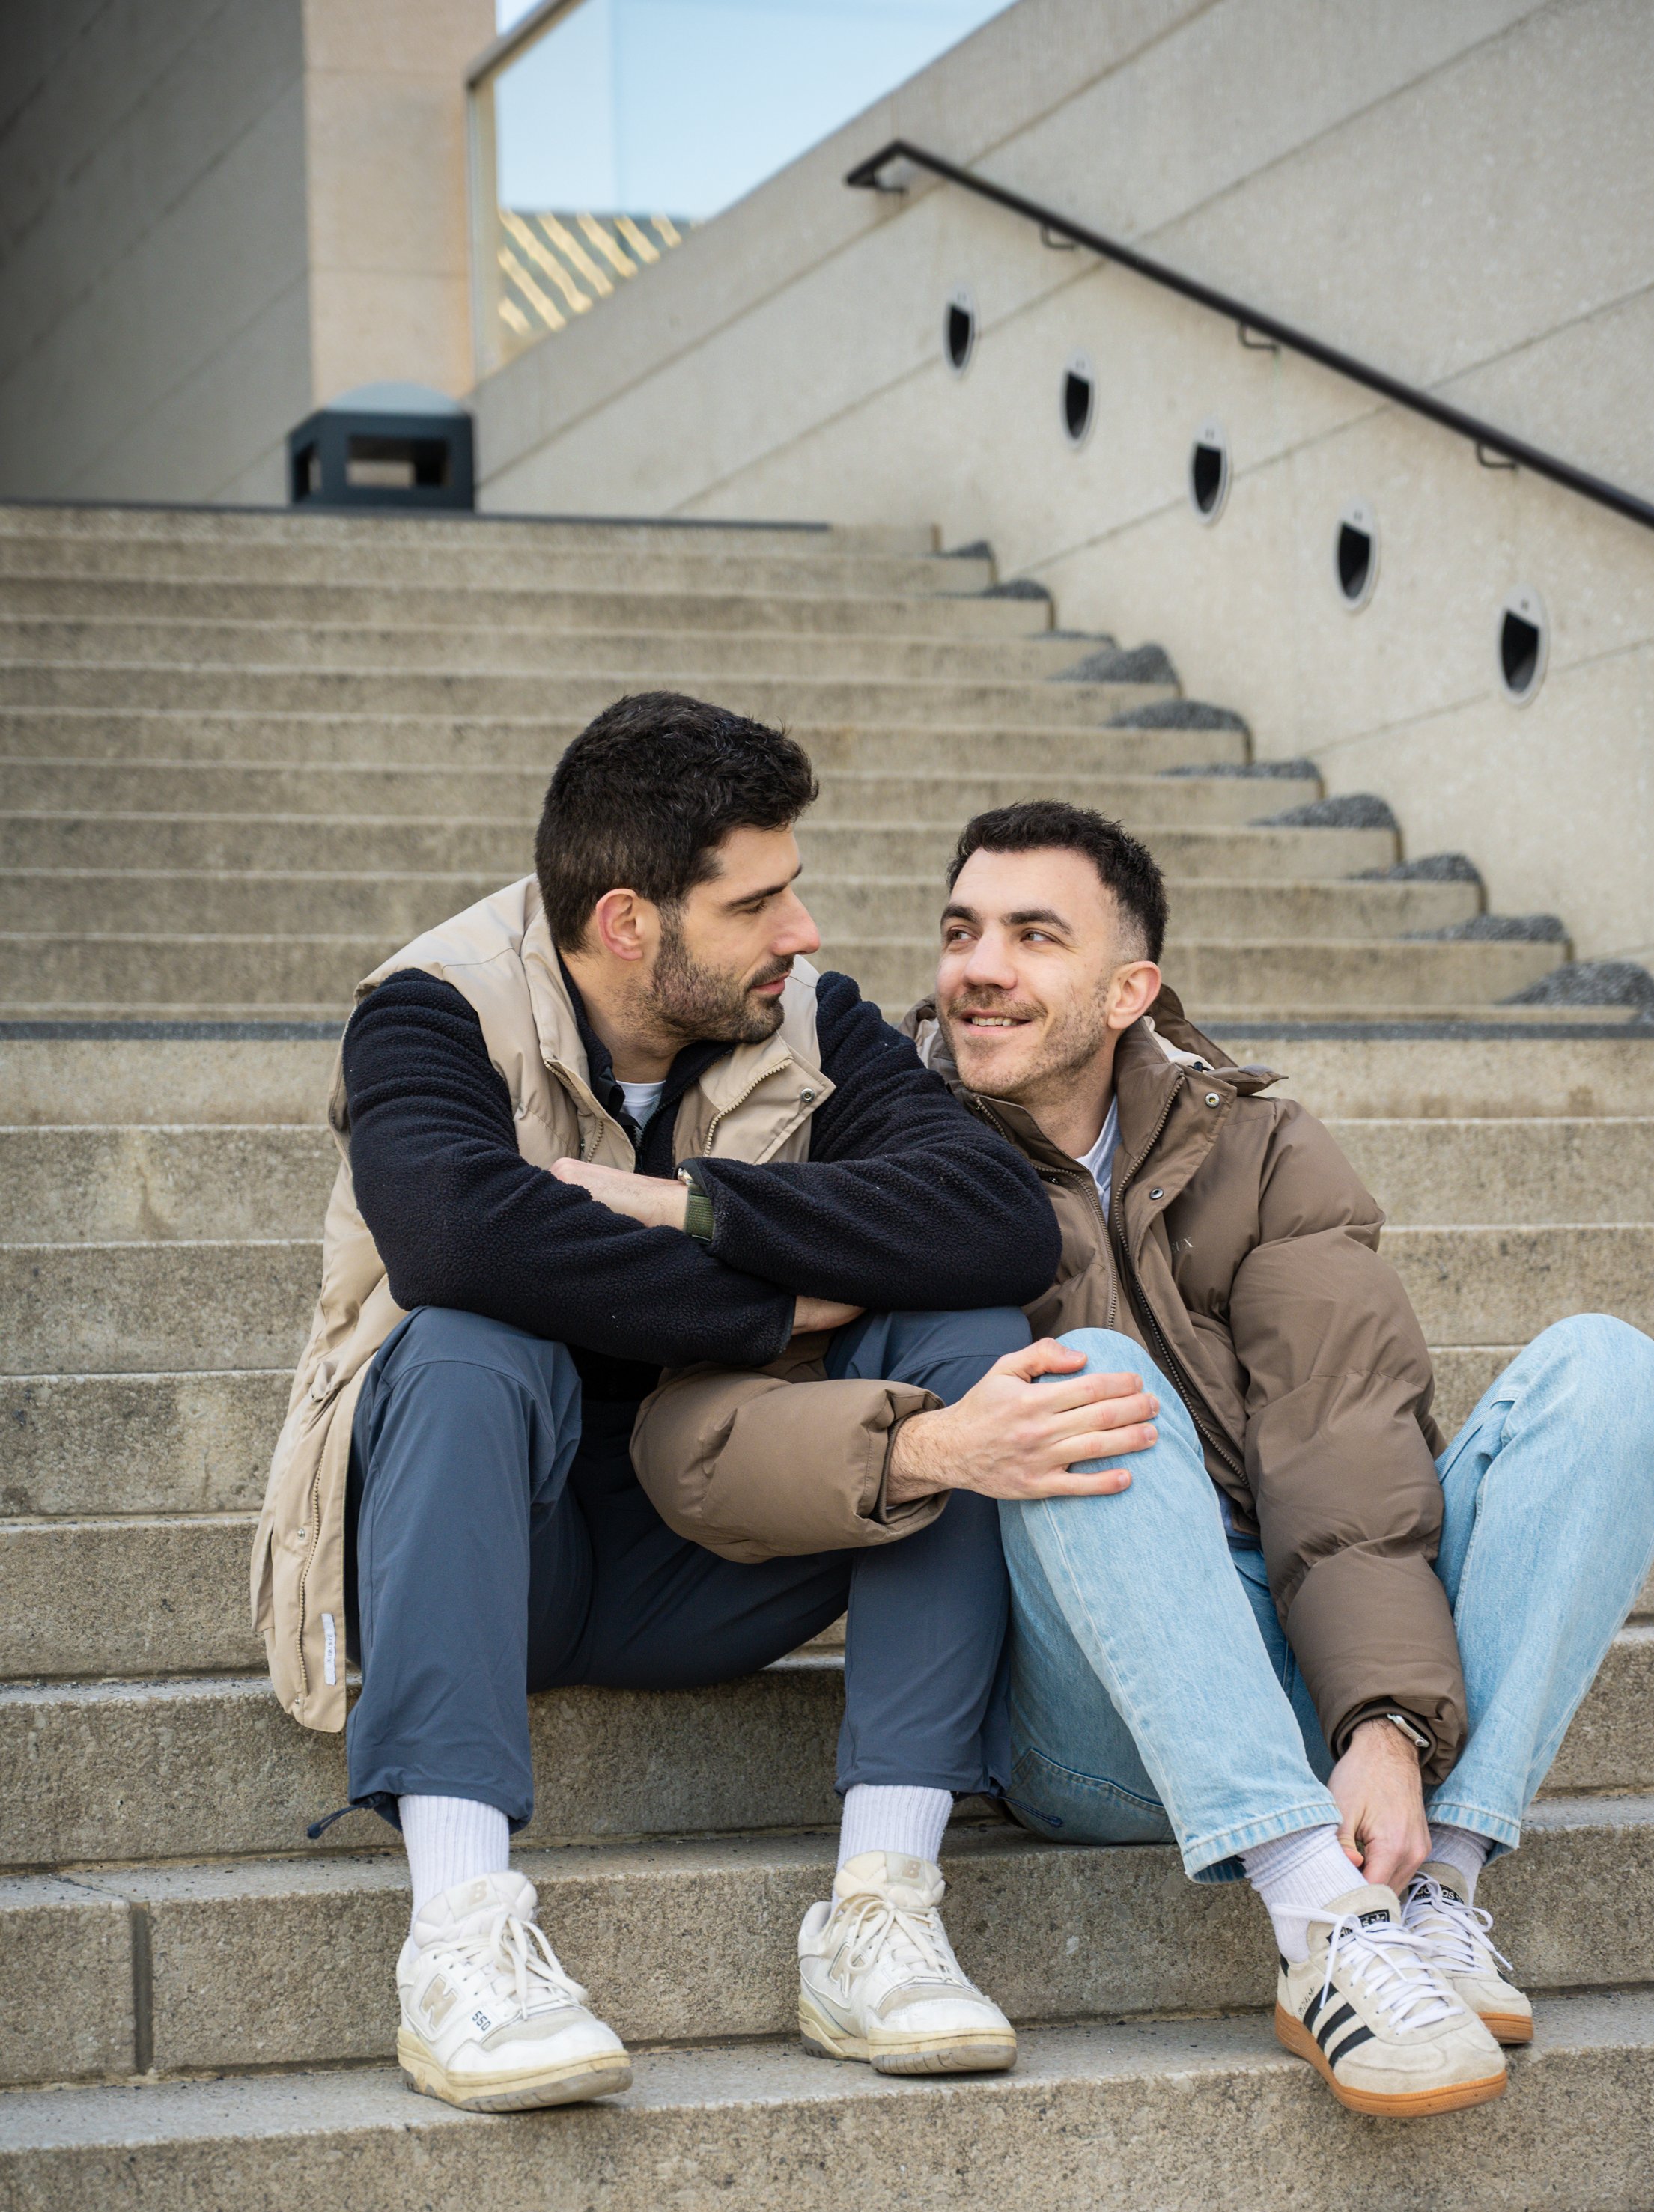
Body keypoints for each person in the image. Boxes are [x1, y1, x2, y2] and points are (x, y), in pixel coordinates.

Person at [633, 800, 1654, 2119]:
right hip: (1095, 1704)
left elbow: (1345, 1437)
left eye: (1032, 936)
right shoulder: (866, 1146)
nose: (978, 968)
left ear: (1131, 989)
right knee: (1099, 1386)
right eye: (962, 932)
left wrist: (1384, 1721)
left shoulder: (1256, 1145)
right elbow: (697, 1441)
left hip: (1307, 1645)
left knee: (1609, 1371)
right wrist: (928, 1443)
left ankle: (1435, 1884)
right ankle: (1321, 1924)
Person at [255, 692, 1079, 2113]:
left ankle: (880, 1911)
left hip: (709, 1546)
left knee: (962, 1328)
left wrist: (680, 1206)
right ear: (629, 922)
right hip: (468, 1544)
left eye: (794, 889)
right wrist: (780, 1302)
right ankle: (459, 1933)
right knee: (467, 1341)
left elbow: (999, 1222)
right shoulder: (429, 1010)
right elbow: (459, 1238)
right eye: (758, 901)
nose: (803, 930)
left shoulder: (812, 1024)